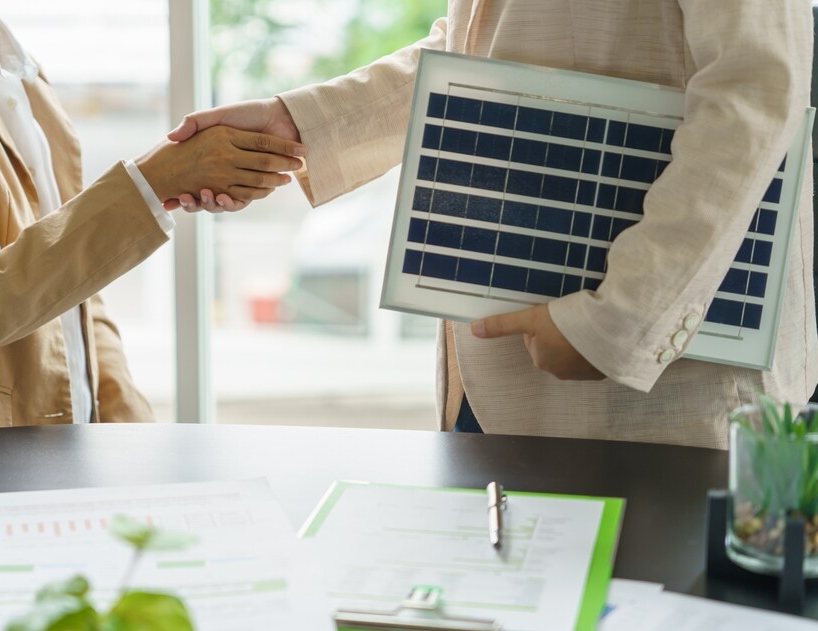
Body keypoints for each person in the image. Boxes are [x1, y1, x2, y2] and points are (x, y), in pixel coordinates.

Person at [168, 1, 816, 449]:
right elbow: (475, 45)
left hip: (659, 391)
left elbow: (754, 87)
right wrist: (301, 124)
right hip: (498, 375)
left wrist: (615, 323)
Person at [0, 0, 306, 441]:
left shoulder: (23, 80)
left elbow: (78, 300)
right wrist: (155, 181)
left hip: (35, 458)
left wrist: (137, 443)